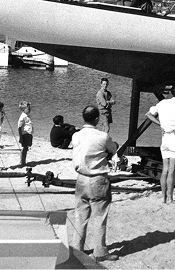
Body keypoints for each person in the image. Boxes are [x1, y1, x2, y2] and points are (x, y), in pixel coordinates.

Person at [71, 106, 119, 263]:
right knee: (99, 216)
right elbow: (112, 149)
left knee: (80, 215)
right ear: (97, 119)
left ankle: (76, 248)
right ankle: (99, 251)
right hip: (98, 178)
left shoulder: (76, 136)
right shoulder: (103, 136)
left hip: (81, 178)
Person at [145, 83, 175, 204]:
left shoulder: (162, 103)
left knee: (165, 169)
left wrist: (160, 123)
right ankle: (170, 198)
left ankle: (164, 198)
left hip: (165, 137)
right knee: (172, 171)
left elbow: (149, 114)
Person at [17, 100, 34, 167]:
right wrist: (20, 137)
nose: (30, 110)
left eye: (30, 108)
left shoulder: (27, 115)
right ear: (23, 110)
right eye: (28, 109)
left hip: (28, 133)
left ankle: (24, 161)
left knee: (26, 147)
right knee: (24, 148)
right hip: (25, 134)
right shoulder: (22, 117)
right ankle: (22, 162)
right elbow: (19, 127)